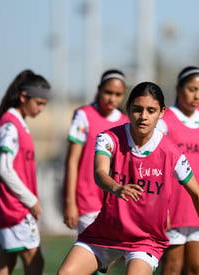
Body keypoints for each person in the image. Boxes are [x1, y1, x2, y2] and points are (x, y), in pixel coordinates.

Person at [58, 82, 199, 275]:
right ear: (128, 109)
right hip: (105, 232)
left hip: (145, 240)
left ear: (161, 112)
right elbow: (100, 173)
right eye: (137, 110)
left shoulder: (171, 152)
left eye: (151, 110)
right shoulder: (108, 138)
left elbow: (198, 193)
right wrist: (117, 188)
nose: (144, 116)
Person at [0, 69, 50, 275]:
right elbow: (4, 168)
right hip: (13, 207)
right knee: (35, 262)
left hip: (7, 206)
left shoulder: (16, 123)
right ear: (24, 96)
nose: (41, 109)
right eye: (39, 103)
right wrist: (30, 200)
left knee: (4, 263)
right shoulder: (10, 126)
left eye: (45, 104)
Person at [157, 66, 199, 275]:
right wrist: (160, 208)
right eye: (191, 89)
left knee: (196, 267)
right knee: (172, 266)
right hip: (173, 209)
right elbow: (156, 167)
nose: (197, 95)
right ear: (179, 88)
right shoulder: (164, 122)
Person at [63, 69, 128, 234]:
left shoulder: (125, 121)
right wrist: (70, 202)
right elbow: (72, 161)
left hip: (115, 198)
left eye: (118, 94)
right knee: (94, 252)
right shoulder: (83, 115)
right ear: (99, 90)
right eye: (108, 92)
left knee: (114, 254)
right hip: (88, 199)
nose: (112, 98)